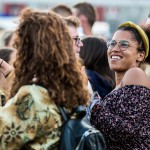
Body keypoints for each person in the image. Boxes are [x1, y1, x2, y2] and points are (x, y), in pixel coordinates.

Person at [0, 7, 90, 149]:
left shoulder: (32, 97)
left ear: (28, 48)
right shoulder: (65, 88)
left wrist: (4, 90)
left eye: (20, 43)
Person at [88, 21, 150, 149]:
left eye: (124, 45)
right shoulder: (119, 86)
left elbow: (128, 130)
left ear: (140, 55)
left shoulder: (135, 74)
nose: (115, 49)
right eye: (112, 43)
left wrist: (92, 104)